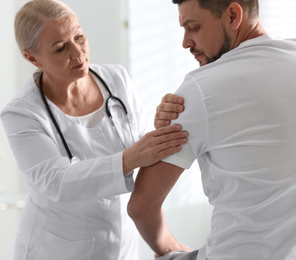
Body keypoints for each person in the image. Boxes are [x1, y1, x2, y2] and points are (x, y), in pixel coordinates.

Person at [0, 0, 188, 259]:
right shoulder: (22, 114)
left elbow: (145, 149)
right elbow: (57, 182)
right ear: (32, 58)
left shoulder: (117, 80)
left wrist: (162, 126)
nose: (78, 53)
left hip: (121, 242)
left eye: (79, 37)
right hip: (59, 248)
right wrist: (129, 158)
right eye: (60, 48)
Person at [127, 0, 296, 260]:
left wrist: (168, 250)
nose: (185, 42)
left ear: (232, 15)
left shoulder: (199, 89)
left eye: (193, 27)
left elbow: (141, 207)